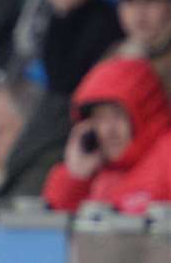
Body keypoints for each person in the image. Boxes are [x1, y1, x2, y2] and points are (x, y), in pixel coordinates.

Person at [44, 56, 171, 211]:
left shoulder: (166, 157)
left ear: (145, 111)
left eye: (117, 115)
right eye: (99, 118)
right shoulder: (95, 170)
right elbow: (58, 227)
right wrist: (75, 177)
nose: (108, 130)